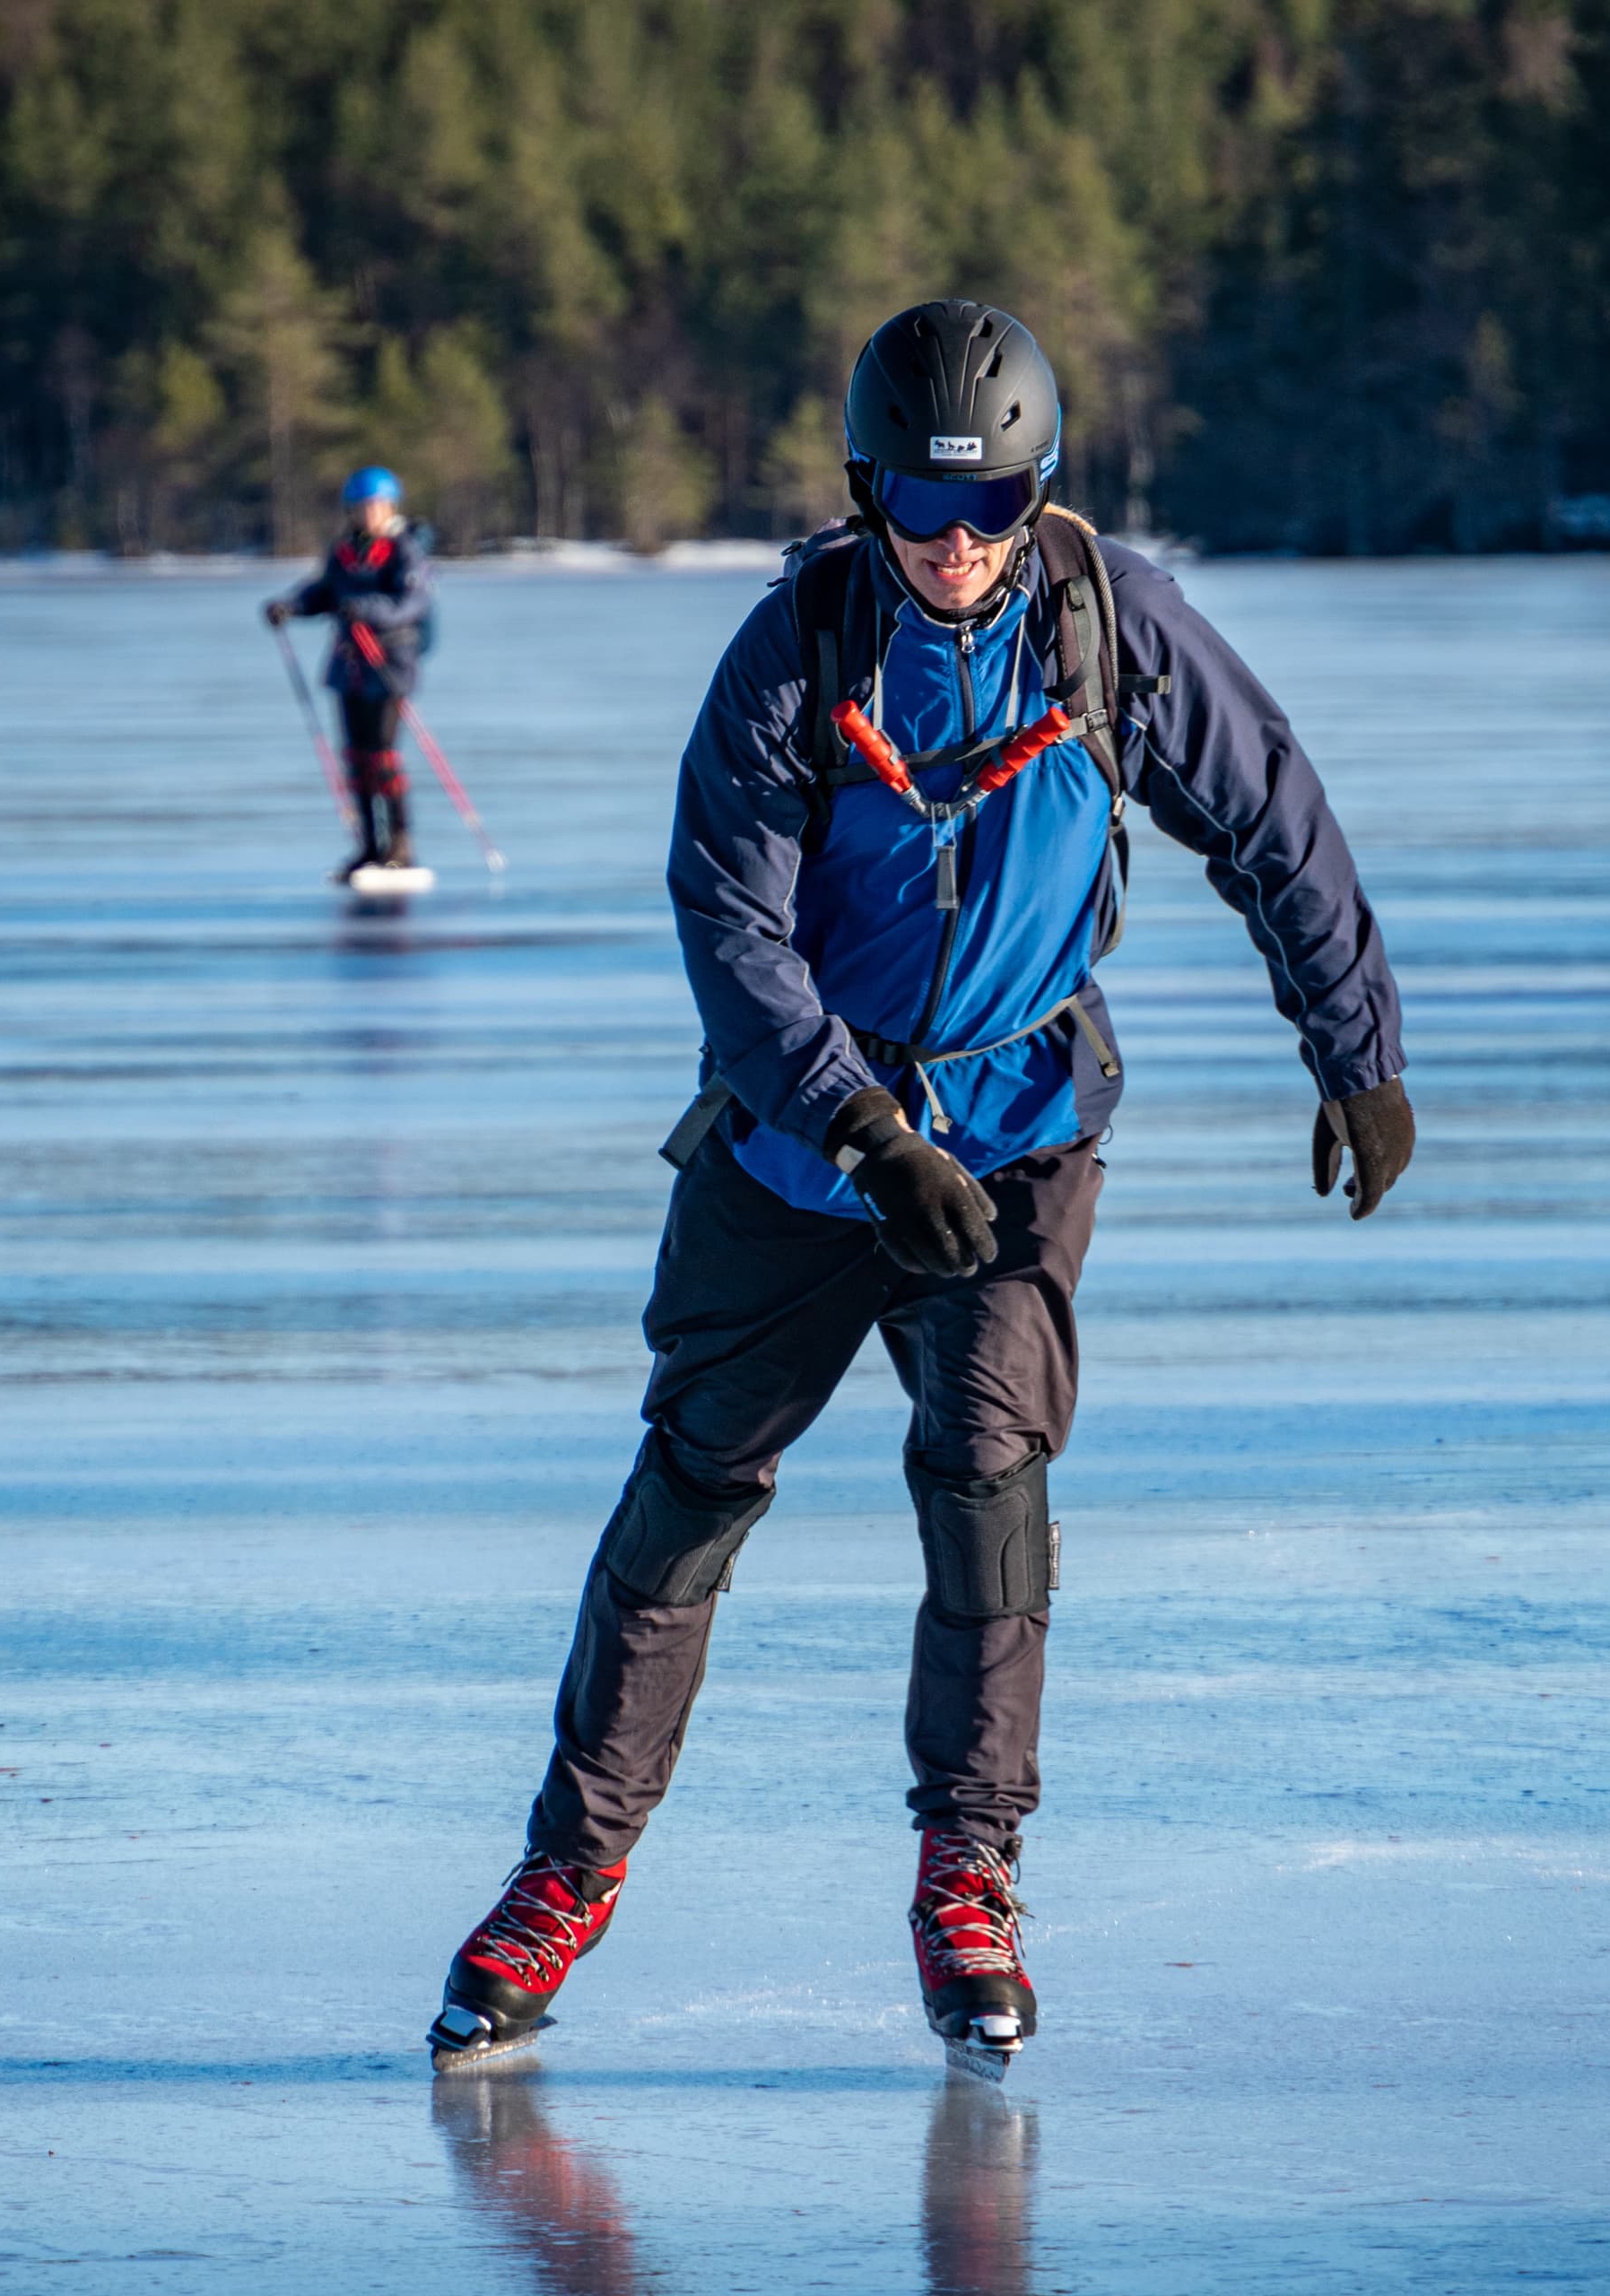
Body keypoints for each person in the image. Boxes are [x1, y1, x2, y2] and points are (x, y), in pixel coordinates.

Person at [427, 299, 1414, 2075]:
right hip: (802, 1143)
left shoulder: (1113, 627)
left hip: (1024, 1119)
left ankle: (970, 1869)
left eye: (999, 503)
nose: (960, 546)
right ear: (863, 487)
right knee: (698, 1477)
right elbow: (729, 927)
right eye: (922, 506)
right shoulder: (794, 648)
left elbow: (1277, 816)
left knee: (988, 1463)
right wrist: (862, 1128)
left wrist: (1355, 1045)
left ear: (1042, 486)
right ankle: (565, 1879)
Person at [266, 466, 435, 877]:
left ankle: (400, 846)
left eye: (375, 506)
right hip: (350, 666)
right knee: (355, 759)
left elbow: (411, 604)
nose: (368, 514)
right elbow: (324, 591)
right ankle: (367, 848)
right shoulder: (344, 550)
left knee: (382, 756)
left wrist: (365, 609)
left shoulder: (405, 550)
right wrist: (291, 606)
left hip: (389, 664)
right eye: (360, 507)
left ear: (389, 506)